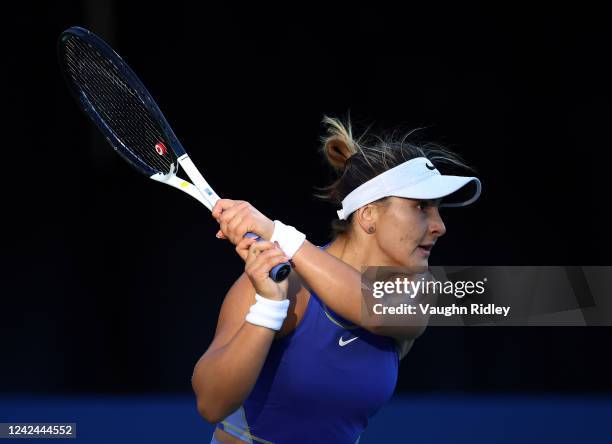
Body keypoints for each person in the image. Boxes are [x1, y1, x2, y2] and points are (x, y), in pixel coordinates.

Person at [192, 116, 482, 443]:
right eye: (421, 207)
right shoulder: (280, 287)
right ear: (368, 215)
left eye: (438, 209)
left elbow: (373, 305)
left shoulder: (419, 291)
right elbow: (211, 404)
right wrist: (268, 309)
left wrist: (278, 233)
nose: (439, 225)